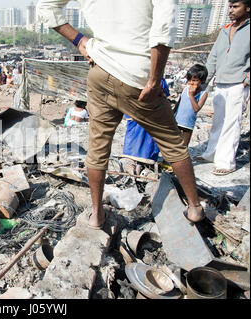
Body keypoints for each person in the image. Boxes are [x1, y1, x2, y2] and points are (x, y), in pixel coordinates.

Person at [38, 0, 205, 226]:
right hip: (138, 78)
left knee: (98, 147)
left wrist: (79, 40)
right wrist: (155, 78)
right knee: (173, 143)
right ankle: (194, 209)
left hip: (100, 72)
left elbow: (45, 7)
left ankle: (97, 215)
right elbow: (164, 28)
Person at [196, 0, 250, 176]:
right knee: (218, 121)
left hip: (238, 82)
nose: (231, 10)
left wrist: (247, 80)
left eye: (236, 7)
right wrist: (203, 82)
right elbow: (213, 57)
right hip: (220, 82)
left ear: (247, 8)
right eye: (230, 7)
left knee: (232, 123)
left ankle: (226, 162)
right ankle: (211, 153)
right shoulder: (225, 30)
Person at [174, 64, 209, 147]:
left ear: (202, 81)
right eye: (189, 80)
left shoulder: (203, 94)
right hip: (177, 121)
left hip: (188, 124)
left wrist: (191, 95)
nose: (191, 83)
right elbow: (178, 103)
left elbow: (196, 109)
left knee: (184, 145)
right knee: (173, 143)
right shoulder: (185, 89)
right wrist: (172, 113)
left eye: (194, 80)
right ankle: (167, 160)